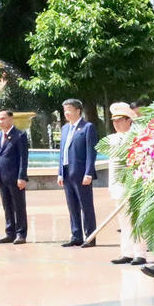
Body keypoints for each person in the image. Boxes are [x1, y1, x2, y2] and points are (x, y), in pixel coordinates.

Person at [107, 103, 146, 264]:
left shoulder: (137, 137)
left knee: (135, 220)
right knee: (123, 221)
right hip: (117, 186)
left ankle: (140, 253)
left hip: (132, 184)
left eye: (119, 120)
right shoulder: (112, 139)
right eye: (114, 121)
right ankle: (127, 252)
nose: (116, 124)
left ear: (128, 120)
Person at [57, 99, 98, 247]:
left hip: (81, 173)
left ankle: (90, 237)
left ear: (78, 110)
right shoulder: (65, 129)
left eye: (69, 109)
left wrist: (89, 173)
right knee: (72, 206)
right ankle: (76, 236)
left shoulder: (87, 127)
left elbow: (91, 152)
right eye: (65, 110)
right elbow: (62, 152)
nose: (66, 113)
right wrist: (60, 173)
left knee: (86, 206)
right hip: (67, 173)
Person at [0, 109, 29, 245]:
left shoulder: (20, 135)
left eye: (3, 118)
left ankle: (21, 234)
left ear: (11, 119)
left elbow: (23, 158)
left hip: (15, 178)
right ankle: (10, 233)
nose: (0, 121)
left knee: (19, 206)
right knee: (7, 206)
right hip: (2, 178)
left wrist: (22, 177)